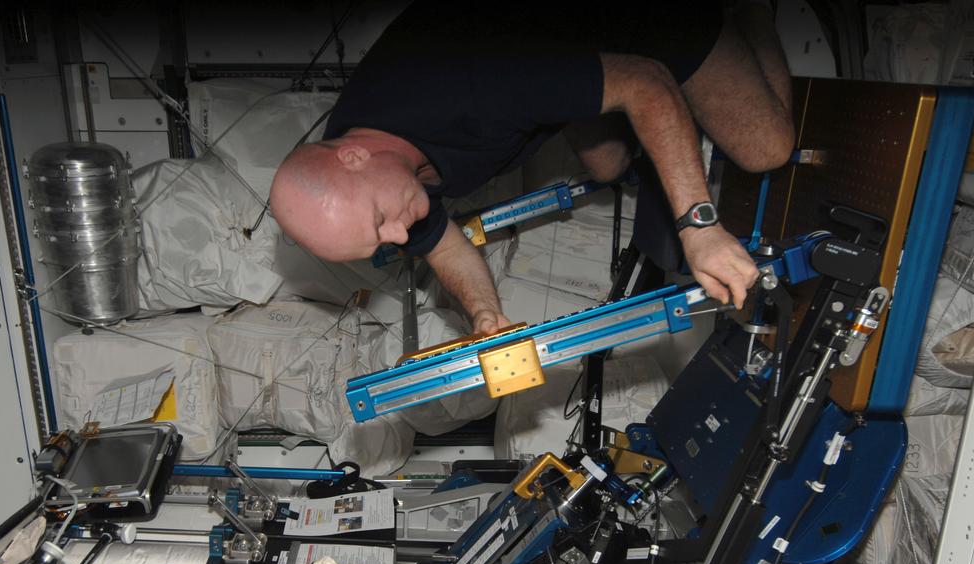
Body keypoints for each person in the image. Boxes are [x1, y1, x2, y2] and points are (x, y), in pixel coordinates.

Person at [270, 1, 794, 335]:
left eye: (383, 220)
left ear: (354, 157)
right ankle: (588, 85)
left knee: (766, 150)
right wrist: (483, 314)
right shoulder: (372, 180)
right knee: (608, 165)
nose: (400, 232)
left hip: (639, 25)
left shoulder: (466, 87)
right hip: (549, 54)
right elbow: (442, 244)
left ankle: (753, 17)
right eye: (382, 240)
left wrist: (698, 227)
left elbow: (648, 82)